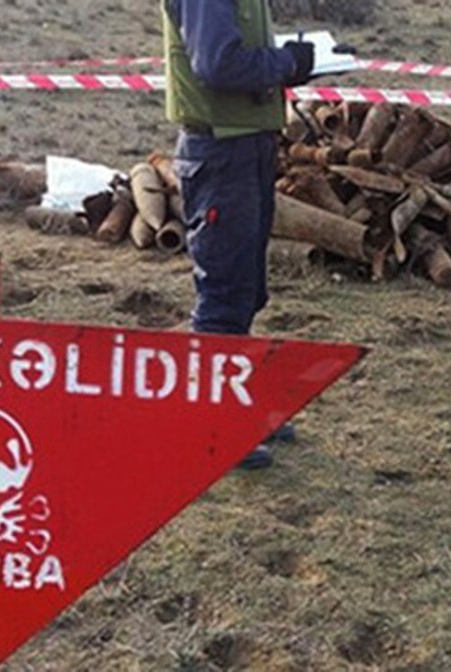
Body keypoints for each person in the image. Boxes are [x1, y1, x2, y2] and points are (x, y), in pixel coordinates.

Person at [162, 0, 315, 469]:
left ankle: (237, 406)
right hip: (220, 151)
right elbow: (218, 63)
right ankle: (215, 429)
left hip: (243, 145)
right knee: (224, 294)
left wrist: (291, 65)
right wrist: (286, 62)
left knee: (245, 289)